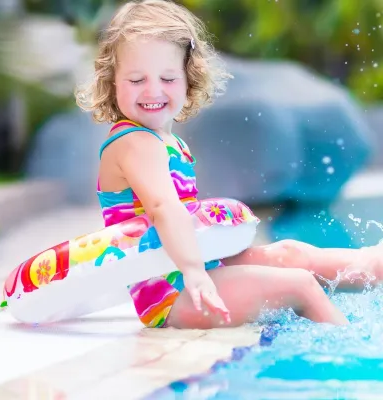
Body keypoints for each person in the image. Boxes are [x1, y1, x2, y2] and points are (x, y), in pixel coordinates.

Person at [75, 0, 380, 330]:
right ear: (112, 81)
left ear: (188, 79)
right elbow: (164, 208)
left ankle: (373, 263)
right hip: (170, 292)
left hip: (194, 267)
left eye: (167, 78)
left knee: (290, 253)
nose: (153, 90)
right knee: (299, 285)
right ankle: (351, 357)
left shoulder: (168, 142)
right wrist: (194, 271)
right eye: (136, 80)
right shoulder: (134, 143)